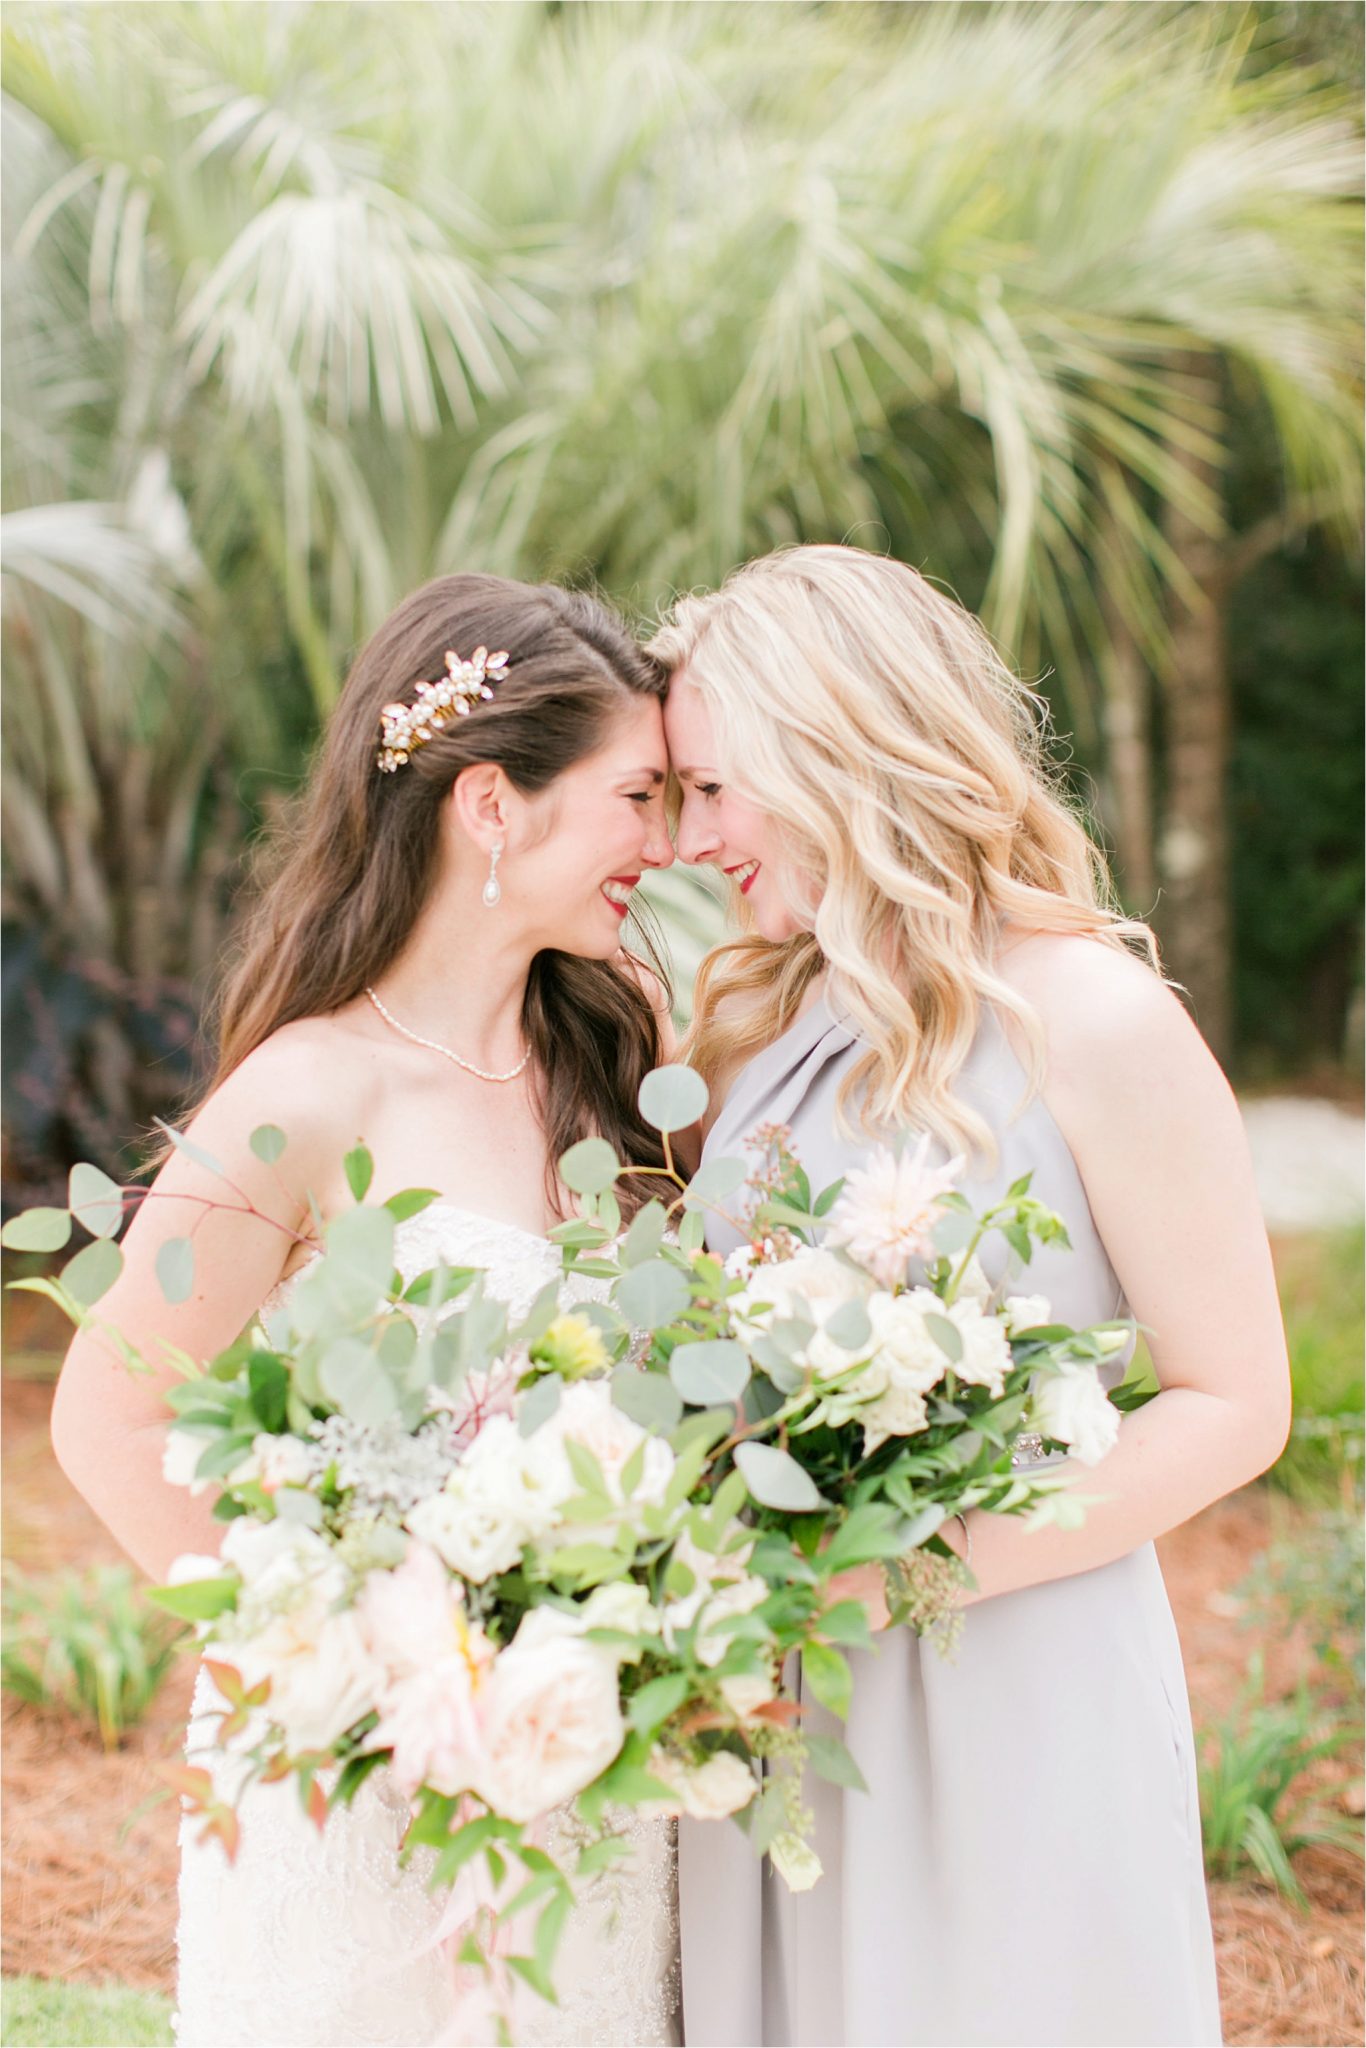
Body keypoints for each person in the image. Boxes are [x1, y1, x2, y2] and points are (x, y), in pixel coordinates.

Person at [651, 542, 1290, 2048]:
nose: (692, 837)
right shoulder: (757, 1016)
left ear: (833, 746)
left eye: (712, 786)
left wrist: (909, 1572)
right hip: (780, 1695)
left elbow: (1236, 1403)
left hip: (1006, 1670)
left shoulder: (1092, 1019)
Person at [51, 573, 684, 2048]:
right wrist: (346, 1679)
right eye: (633, 797)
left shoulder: (613, 1059)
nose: (661, 845)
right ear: (491, 806)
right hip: (358, 1786)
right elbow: (110, 1411)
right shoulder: (305, 1091)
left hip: (584, 1758)